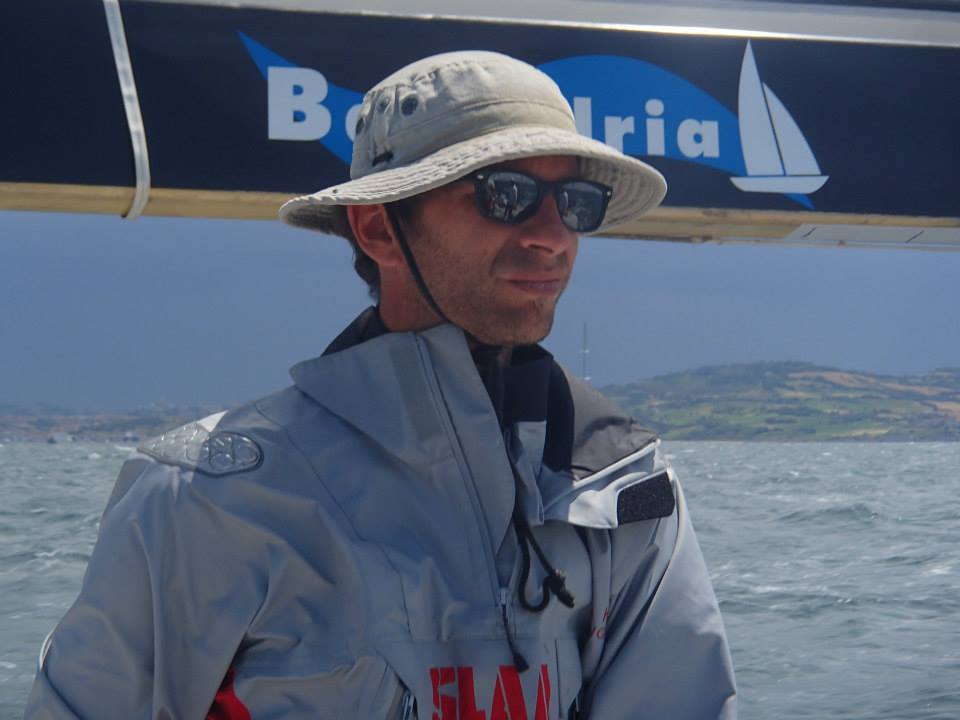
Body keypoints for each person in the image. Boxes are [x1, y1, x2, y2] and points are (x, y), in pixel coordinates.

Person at [25, 51, 736, 719]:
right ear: (378, 229)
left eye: (576, 202)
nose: (552, 235)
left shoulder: (629, 490)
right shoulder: (205, 501)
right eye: (507, 196)